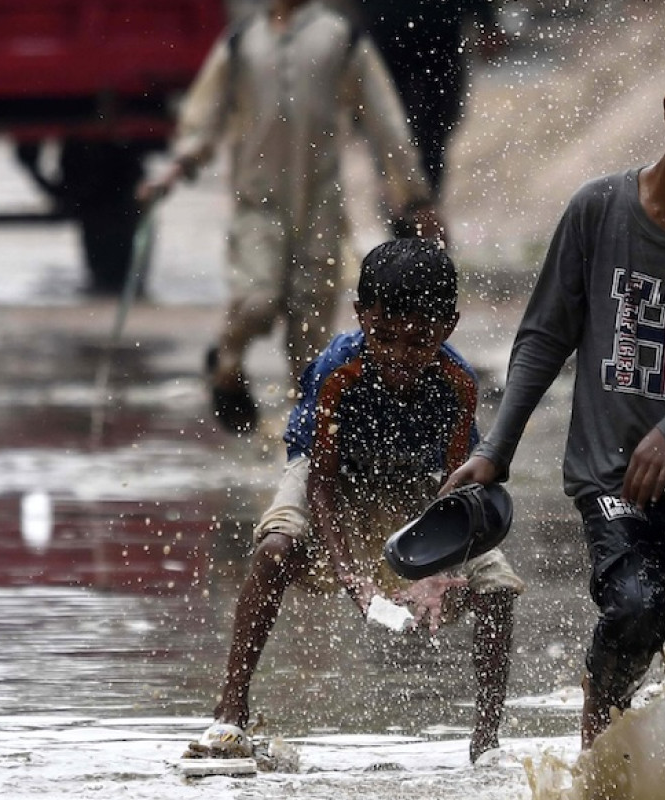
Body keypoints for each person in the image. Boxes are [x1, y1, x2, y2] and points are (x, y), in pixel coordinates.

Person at [439, 36, 665, 747]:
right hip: (610, 477)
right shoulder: (598, 211)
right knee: (638, 604)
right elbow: (544, 337)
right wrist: (496, 449)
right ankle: (599, 728)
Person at [186, 238, 522, 764]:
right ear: (363, 316)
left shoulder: (457, 383)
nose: (398, 356)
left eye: (419, 341)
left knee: (497, 588)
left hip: (420, 483)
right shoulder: (338, 370)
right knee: (275, 548)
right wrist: (352, 578)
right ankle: (230, 710)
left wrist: (438, 570)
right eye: (384, 336)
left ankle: (486, 742)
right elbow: (319, 483)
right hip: (331, 478)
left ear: (448, 327)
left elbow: (454, 491)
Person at [138, 0, 441, 435]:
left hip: (321, 208)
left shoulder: (340, 37)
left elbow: (383, 119)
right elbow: (205, 116)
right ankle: (226, 363)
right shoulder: (243, 41)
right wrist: (173, 172)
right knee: (256, 301)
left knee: (310, 344)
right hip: (257, 206)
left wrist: (414, 195)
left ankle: (305, 458)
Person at [355, 0, 507, 205]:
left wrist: (487, 21)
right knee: (390, 133)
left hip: (440, 33)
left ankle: (422, 207)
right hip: (386, 33)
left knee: (433, 133)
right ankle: (409, 207)